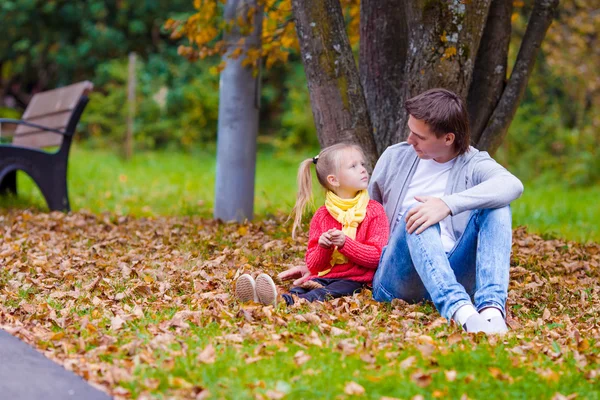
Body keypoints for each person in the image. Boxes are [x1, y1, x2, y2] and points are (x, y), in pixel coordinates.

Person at [280, 88, 523, 334]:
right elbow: (364, 218)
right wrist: (324, 267)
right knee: (418, 213)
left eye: (420, 136)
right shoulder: (396, 157)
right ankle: (461, 311)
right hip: (397, 277)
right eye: (410, 131)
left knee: (498, 206)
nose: (409, 140)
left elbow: (512, 185)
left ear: (448, 138)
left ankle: (491, 312)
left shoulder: (474, 163)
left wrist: (447, 205)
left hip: (454, 269)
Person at [235, 143, 389, 306]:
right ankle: (263, 298)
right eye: (353, 166)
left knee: (324, 293)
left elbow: (377, 257)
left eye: (362, 164)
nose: (363, 169)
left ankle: (285, 302)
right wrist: (324, 247)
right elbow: (314, 265)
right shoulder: (322, 215)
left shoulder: (373, 210)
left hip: (356, 280)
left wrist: (345, 243)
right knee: (302, 288)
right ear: (333, 180)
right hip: (325, 277)